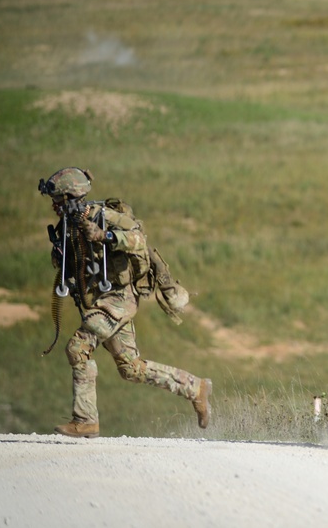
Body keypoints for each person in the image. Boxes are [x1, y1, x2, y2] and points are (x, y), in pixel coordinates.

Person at [38, 167, 211, 438]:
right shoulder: (68, 227)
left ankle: (85, 421)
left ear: (70, 196)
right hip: (101, 300)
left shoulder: (104, 217)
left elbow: (139, 240)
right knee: (131, 368)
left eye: (57, 200)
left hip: (119, 298)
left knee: (78, 348)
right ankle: (195, 387)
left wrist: (105, 236)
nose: (53, 205)